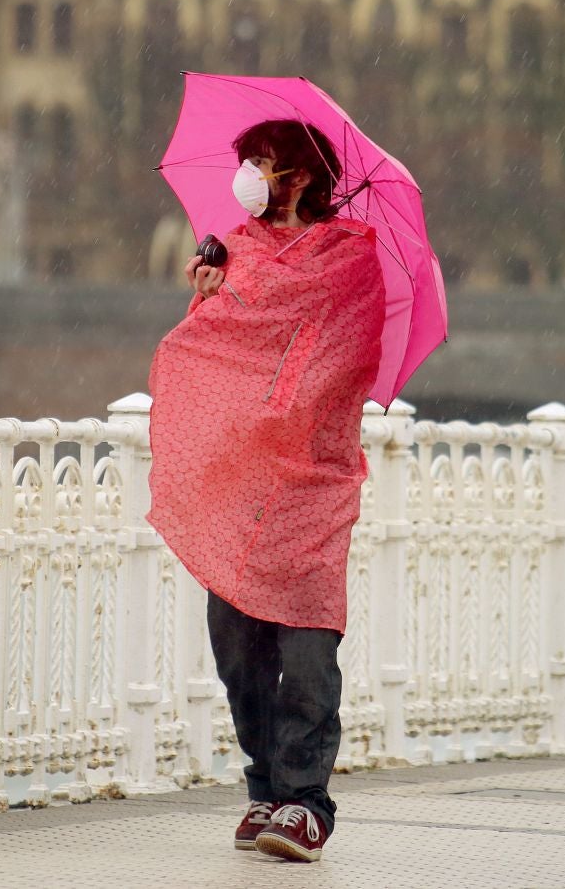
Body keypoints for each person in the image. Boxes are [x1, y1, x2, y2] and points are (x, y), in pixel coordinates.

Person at [144, 119, 386, 863]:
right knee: (237, 649)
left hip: (311, 480)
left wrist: (285, 402)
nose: (248, 173)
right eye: (245, 159)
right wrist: (209, 300)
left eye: (264, 162)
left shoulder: (350, 260)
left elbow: (346, 359)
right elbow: (217, 357)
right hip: (240, 480)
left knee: (307, 648)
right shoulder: (233, 251)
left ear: (304, 178)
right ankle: (264, 787)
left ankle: (306, 804)